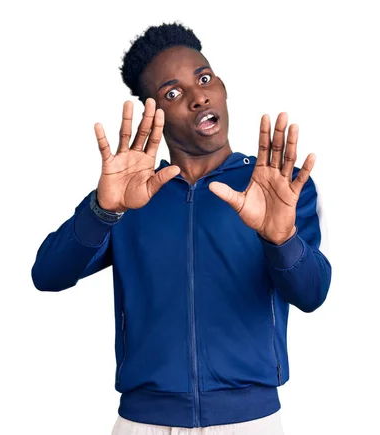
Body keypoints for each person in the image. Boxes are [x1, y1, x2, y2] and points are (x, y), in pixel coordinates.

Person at [31, 22, 331, 434]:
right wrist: (102, 210)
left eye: (204, 78)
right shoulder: (132, 194)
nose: (198, 96)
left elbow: (313, 294)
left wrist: (281, 239)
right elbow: (47, 275)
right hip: (143, 420)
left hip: (249, 421)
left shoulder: (279, 185)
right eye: (173, 93)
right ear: (153, 113)